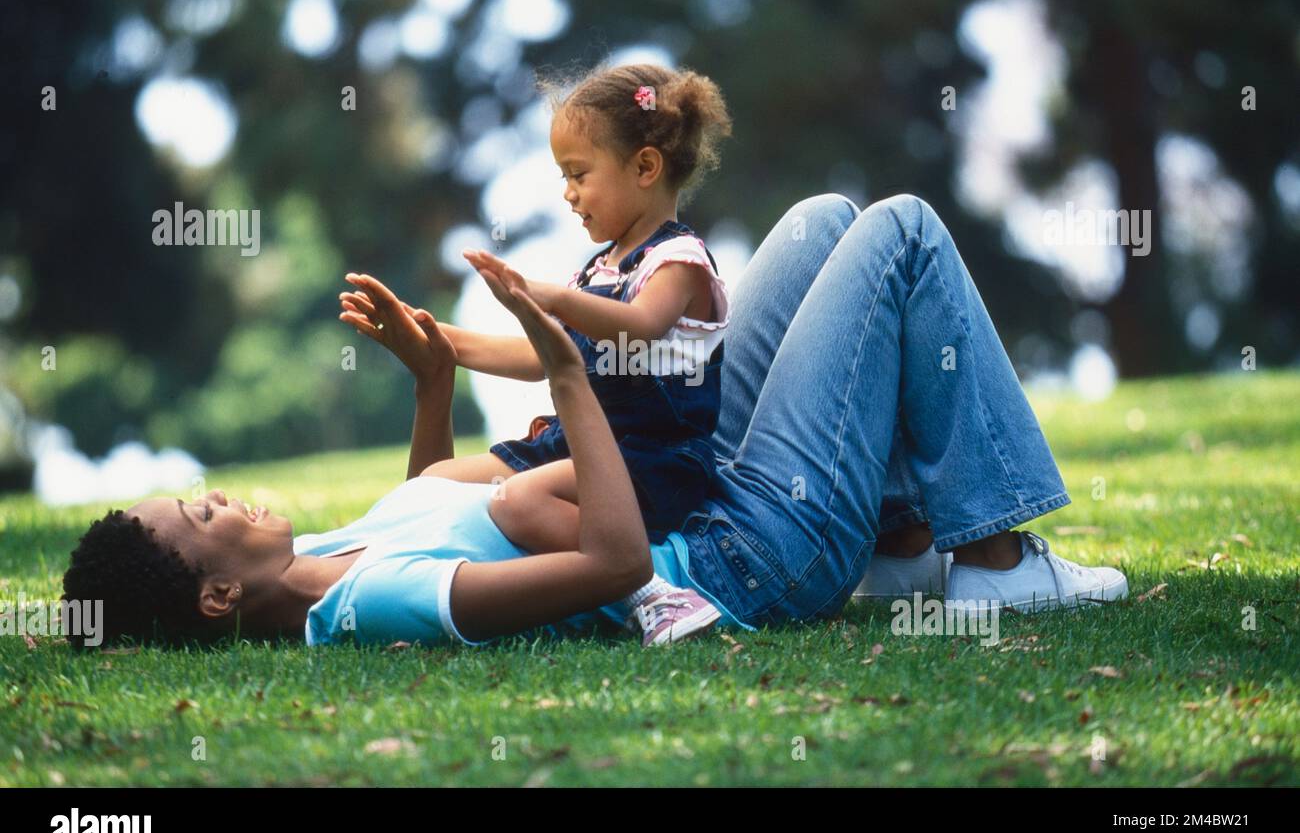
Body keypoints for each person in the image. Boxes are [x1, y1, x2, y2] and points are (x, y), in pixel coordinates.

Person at [61, 192, 1128, 652]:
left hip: (690, 474)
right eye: (205, 510)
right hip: (737, 551)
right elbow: (616, 561)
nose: (224, 494)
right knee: (899, 234)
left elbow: (435, 495)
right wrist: (574, 367)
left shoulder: (330, 556)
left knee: (823, 225)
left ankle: (897, 542)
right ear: (213, 591)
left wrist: (432, 379)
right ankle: (993, 559)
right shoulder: (371, 605)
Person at [341, 63, 735, 645]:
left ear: (646, 167)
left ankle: (651, 593)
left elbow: (641, 327)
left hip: (652, 463)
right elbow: (536, 357)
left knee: (521, 502)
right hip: (575, 450)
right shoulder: (599, 268)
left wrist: (550, 298)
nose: (568, 195)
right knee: (432, 483)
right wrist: (419, 330)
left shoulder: (678, 261)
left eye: (579, 174)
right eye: (563, 177)